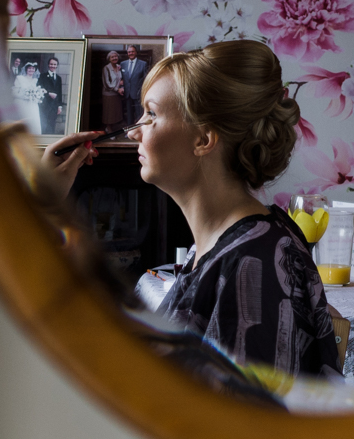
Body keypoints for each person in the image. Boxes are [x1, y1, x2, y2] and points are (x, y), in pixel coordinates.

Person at [129, 40, 340, 378]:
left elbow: (250, 425)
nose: (133, 132)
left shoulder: (252, 266)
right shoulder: (218, 245)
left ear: (203, 139)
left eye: (151, 114)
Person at [119, 44, 149, 128]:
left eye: (132, 51)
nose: (130, 53)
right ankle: (129, 130)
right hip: (127, 93)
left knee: (139, 113)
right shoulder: (122, 64)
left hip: (138, 93)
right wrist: (121, 87)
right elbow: (120, 78)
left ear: (136, 52)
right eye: (129, 52)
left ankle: (139, 130)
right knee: (129, 113)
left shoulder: (143, 64)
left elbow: (146, 79)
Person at [12, 61, 43, 128]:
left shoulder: (36, 80)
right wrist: (26, 95)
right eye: (29, 68)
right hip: (22, 104)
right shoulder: (19, 78)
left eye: (33, 68)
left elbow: (38, 92)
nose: (31, 70)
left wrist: (37, 96)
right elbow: (14, 92)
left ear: (35, 70)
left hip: (32, 105)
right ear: (26, 69)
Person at [100, 49, 125, 132]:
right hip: (109, 93)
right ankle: (108, 128)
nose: (114, 58)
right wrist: (117, 89)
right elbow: (106, 83)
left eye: (116, 56)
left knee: (114, 112)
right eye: (112, 57)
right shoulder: (106, 68)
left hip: (116, 93)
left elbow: (120, 78)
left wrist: (121, 82)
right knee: (109, 112)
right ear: (109, 59)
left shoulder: (118, 66)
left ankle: (112, 127)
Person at [38, 56, 64, 135]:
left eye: (54, 64)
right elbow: (39, 88)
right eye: (51, 64)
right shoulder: (42, 76)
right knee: (44, 125)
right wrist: (48, 93)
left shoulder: (59, 78)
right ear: (48, 65)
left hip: (54, 106)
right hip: (45, 105)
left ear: (57, 65)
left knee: (52, 125)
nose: (53, 66)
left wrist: (59, 106)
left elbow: (59, 92)